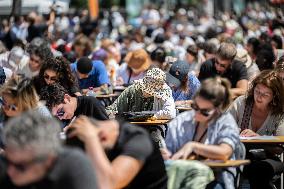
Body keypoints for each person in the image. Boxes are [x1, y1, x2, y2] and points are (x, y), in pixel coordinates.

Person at [162, 77, 240, 189]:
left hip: (216, 176)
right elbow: (169, 151)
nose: (197, 113)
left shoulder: (225, 121)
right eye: (195, 107)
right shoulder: (181, 120)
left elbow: (225, 152)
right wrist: (164, 154)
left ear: (218, 109)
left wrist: (193, 146)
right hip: (181, 174)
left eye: (205, 112)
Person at [0, 111, 97, 189]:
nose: (10, 171)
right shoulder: (5, 166)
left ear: (49, 159)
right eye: (7, 160)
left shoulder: (73, 165)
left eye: (20, 166)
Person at [65, 116, 168, 189]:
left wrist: (91, 139)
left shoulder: (138, 139)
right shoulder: (106, 139)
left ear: (102, 137)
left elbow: (108, 184)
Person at [227, 70, 284, 189]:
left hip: (268, 157)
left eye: (265, 94)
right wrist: (237, 131)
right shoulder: (241, 103)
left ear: (274, 96)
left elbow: (278, 149)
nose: (259, 97)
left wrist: (258, 138)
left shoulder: (278, 113)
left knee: (260, 169)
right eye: (257, 91)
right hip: (241, 154)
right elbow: (223, 127)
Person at [107, 68, 176, 120]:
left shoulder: (165, 91)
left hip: (155, 127)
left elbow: (171, 113)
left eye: (152, 92)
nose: (149, 93)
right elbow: (112, 109)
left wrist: (151, 115)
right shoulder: (132, 90)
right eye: (147, 91)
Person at [40, 83, 108, 126]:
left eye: (60, 112)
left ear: (67, 98)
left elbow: (108, 129)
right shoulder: (67, 115)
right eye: (56, 116)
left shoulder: (91, 104)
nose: (61, 118)